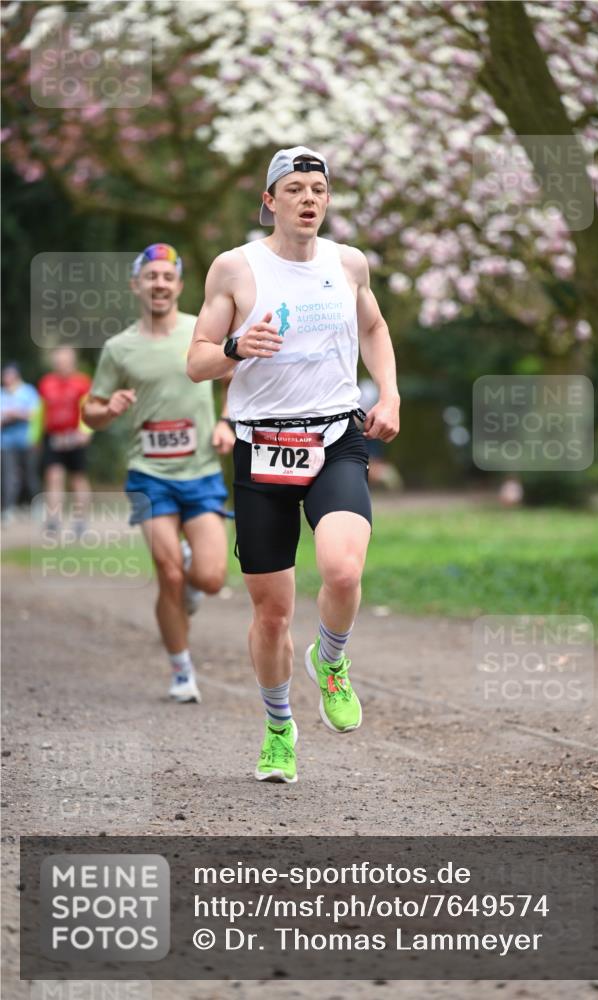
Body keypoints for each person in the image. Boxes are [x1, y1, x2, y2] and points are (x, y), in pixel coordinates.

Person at [188, 146, 400, 782]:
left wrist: (388, 393)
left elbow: (376, 329)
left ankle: (330, 661)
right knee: (272, 613)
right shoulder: (235, 269)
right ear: (269, 201)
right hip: (261, 445)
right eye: (295, 189)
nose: (309, 199)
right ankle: (279, 727)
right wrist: (234, 346)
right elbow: (197, 359)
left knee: (342, 569)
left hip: (336, 436)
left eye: (318, 189)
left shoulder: (349, 263)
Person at [83, 243, 235, 704]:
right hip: (149, 475)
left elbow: (234, 376)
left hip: (202, 472)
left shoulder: (199, 331)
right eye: (151, 277)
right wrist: (106, 410)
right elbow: (90, 410)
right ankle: (181, 669)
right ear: (137, 285)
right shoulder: (119, 348)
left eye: (168, 277)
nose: (160, 284)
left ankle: (192, 574)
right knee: (168, 574)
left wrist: (227, 421)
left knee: (210, 579)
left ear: (179, 285)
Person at [38, 346, 93, 534]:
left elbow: (89, 409)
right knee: (54, 476)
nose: (61, 364)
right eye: (58, 361)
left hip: (75, 438)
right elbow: (40, 412)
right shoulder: (46, 383)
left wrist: (86, 432)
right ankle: (54, 519)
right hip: (53, 437)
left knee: (77, 478)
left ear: (72, 361)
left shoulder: (82, 382)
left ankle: (80, 520)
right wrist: (36, 437)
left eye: (65, 360)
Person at [1, 362, 41, 519]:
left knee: (30, 475)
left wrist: (17, 414)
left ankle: (35, 505)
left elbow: (36, 414)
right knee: (8, 476)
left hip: (27, 440)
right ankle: (8, 508)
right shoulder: (1, 394)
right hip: (5, 441)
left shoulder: (29, 391)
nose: (7, 378)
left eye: (10, 375)